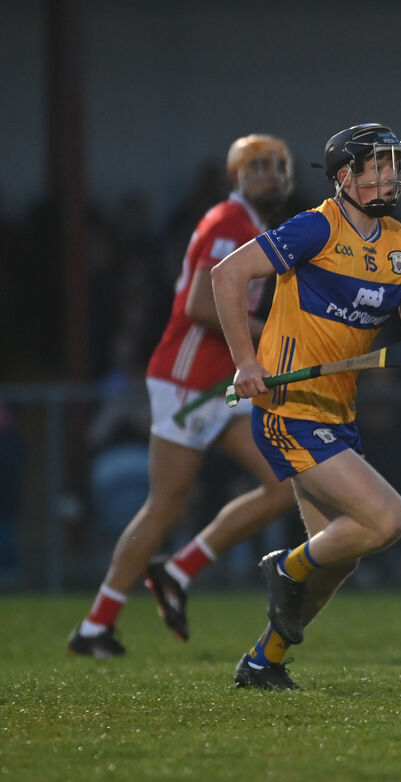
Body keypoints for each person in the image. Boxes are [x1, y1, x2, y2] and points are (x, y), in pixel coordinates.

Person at [212, 123, 401, 689]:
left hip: (337, 416)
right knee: (387, 518)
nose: (388, 176)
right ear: (344, 177)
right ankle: (284, 567)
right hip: (289, 407)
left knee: (339, 557)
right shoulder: (314, 228)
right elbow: (226, 275)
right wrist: (245, 361)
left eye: (392, 165)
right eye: (375, 167)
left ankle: (263, 663)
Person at [68, 135, 299, 658]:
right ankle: (95, 626)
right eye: (258, 167)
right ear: (237, 174)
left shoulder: (256, 228)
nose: (270, 176)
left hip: (222, 385)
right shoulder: (228, 223)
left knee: (285, 481)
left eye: (277, 167)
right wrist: (271, 335)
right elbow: (199, 305)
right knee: (165, 504)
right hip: (189, 382)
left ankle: (177, 570)